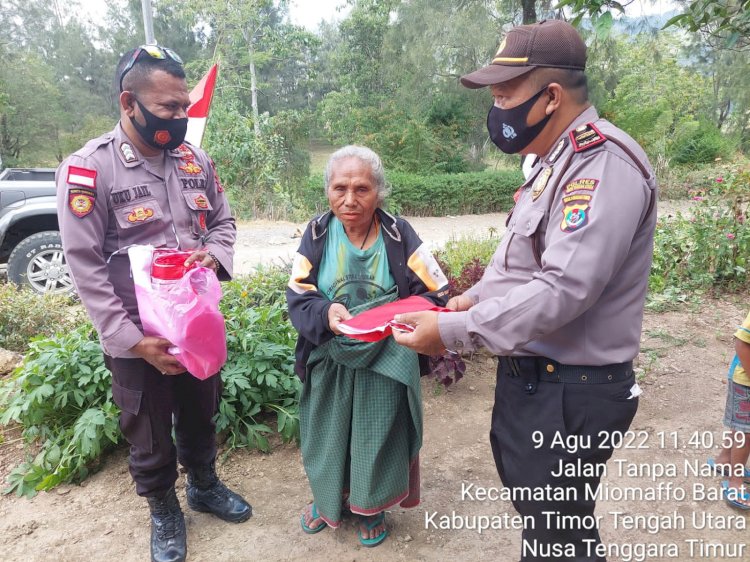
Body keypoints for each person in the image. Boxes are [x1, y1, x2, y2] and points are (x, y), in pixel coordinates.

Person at [393, 19, 657, 561]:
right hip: (540, 383)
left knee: (559, 535)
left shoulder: (600, 165)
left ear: (550, 97)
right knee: (548, 525)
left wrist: (451, 330)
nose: (497, 108)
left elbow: (563, 289)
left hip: (573, 392)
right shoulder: (551, 162)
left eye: (506, 94)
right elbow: (525, 264)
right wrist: (477, 297)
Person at [56, 45, 251, 562]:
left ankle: (204, 486)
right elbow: (86, 265)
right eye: (169, 108)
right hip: (137, 333)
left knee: (200, 412)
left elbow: (225, 223)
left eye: (184, 106)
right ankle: (164, 508)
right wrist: (132, 341)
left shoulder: (195, 159)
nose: (181, 117)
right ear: (129, 102)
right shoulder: (89, 170)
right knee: (146, 429)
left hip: (197, 324)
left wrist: (214, 255)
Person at [286, 145, 449, 547]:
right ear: (327, 191)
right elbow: (298, 293)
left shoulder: (399, 235)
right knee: (326, 435)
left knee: (377, 436)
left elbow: (436, 292)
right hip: (331, 354)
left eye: (362, 188)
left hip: (386, 354)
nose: (349, 199)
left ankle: (370, 506)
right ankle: (328, 500)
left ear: (379, 191)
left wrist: (388, 316)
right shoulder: (317, 233)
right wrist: (326, 313)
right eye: (340, 187)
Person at [711, 310, 750, 509]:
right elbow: (742, 343)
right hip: (746, 382)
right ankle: (735, 481)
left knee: (740, 425)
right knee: (746, 432)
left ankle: (725, 459)